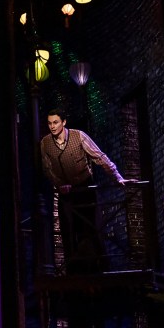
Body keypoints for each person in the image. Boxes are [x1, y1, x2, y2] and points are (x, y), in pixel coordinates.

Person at [40, 109, 131, 272]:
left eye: (55, 122)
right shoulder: (45, 143)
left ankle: (99, 268)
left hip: (84, 187)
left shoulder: (78, 136)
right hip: (65, 192)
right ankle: (73, 271)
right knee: (68, 230)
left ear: (64, 122)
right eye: (49, 123)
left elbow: (99, 157)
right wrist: (59, 184)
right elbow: (47, 169)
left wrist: (117, 177)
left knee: (91, 228)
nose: (52, 126)